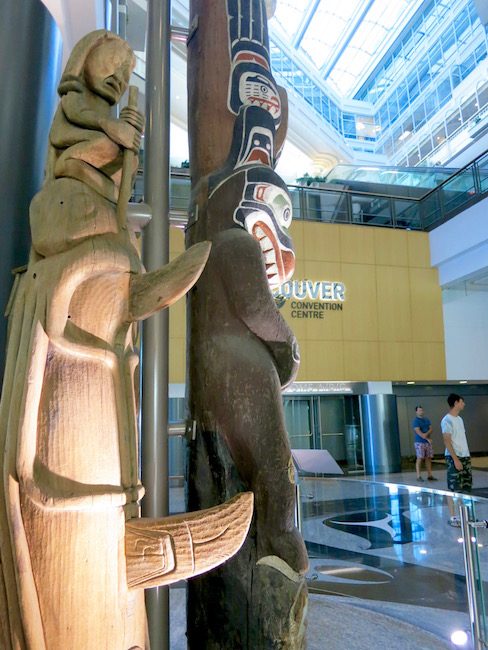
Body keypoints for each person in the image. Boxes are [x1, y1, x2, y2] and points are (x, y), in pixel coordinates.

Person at [441, 393, 472, 527]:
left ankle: (463, 515)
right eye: (462, 401)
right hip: (454, 457)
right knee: (453, 487)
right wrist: (455, 459)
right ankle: (453, 517)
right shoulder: (446, 420)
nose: (464, 404)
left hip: (465, 456)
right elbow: (447, 441)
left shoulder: (459, 419)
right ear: (456, 403)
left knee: (465, 487)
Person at [412, 405, 437, 481]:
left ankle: (430, 475)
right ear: (416, 412)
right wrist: (426, 437)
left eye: (422, 410)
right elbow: (418, 432)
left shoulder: (426, 419)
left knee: (428, 458)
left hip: (427, 442)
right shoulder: (415, 421)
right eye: (419, 410)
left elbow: (431, 429)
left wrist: (426, 435)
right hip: (419, 442)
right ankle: (418, 476)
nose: (421, 412)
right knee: (419, 458)